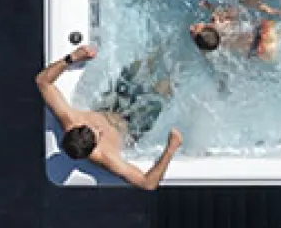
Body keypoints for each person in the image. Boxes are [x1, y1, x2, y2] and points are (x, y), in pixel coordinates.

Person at [36, 44, 182, 190]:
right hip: (133, 124)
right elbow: (147, 184)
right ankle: (184, 64)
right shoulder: (106, 157)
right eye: (98, 135)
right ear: (93, 149)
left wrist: (72, 57)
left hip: (112, 104)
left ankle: (167, 45)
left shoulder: (70, 119)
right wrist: (171, 148)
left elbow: (42, 81)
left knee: (143, 64)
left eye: (91, 127)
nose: (99, 128)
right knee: (168, 85)